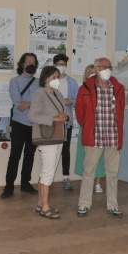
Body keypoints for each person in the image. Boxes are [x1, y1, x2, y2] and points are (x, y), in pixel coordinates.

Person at [76, 57, 125, 217]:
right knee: (89, 171)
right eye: (103, 67)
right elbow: (80, 113)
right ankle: (84, 204)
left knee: (113, 173)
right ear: (96, 69)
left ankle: (113, 205)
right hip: (94, 137)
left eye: (109, 66)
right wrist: (88, 126)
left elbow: (121, 111)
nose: (106, 69)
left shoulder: (118, 88)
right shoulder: (85, 88)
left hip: (113, 136)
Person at [29, 66, 68, 219]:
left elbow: (62, 112)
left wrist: (65, 117)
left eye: (58, 77)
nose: (57, 80)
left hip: (58, 136)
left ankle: (40, 203)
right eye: (54, 77)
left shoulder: (57, 93)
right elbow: (32, 116)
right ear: (45, 79)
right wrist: (53, 119)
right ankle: (45, 207)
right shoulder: (39, 93)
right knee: (48, 173)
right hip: (47, 137)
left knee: (46, 171)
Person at [1, 53, 40, 198]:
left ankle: (25, 184)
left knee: (30, 155)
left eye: (33, 62)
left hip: (34, 124)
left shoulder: (39, 82)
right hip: (18, 124)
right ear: (22, 64)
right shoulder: (15, 81)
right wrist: (32, 103)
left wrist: (28, 103)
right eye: (28, 61)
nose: (31, 64)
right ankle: (9, 186)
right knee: (15, 156)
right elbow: (19, 105)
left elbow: (42, 103)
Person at [74, 64, 106, 193]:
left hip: (101, 128)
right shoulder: (82, 89)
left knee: (99, 157)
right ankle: (87, 182)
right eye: (90, 73)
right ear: (86, 76)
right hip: (86, 128)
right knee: (86, 156)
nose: (93, 75)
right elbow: (78, 109)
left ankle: (98, 183)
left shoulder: (104, 88)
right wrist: (85, 124)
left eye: (95, 73)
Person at [52, 54, 79, 191]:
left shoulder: (72, 82)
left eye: (63, 64)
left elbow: (77, 100)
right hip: (51, 121)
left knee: (65, 150)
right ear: (54, 65)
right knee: (51, 150)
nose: (61, 67)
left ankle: (66, 177)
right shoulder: (50, 80)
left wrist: (71, 101)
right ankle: (47, 178)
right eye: (59, 64)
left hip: (66, 121)